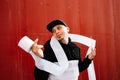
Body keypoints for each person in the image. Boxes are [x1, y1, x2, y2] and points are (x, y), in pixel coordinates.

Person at [31, 19, 96, 80]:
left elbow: (77, 69)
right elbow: (40, 76)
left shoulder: (76, 48)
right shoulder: (50, 48)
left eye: (59, 28)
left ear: (67, 29)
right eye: (53, 31)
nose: (56, 32)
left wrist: (89, 59)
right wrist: (40, 58)